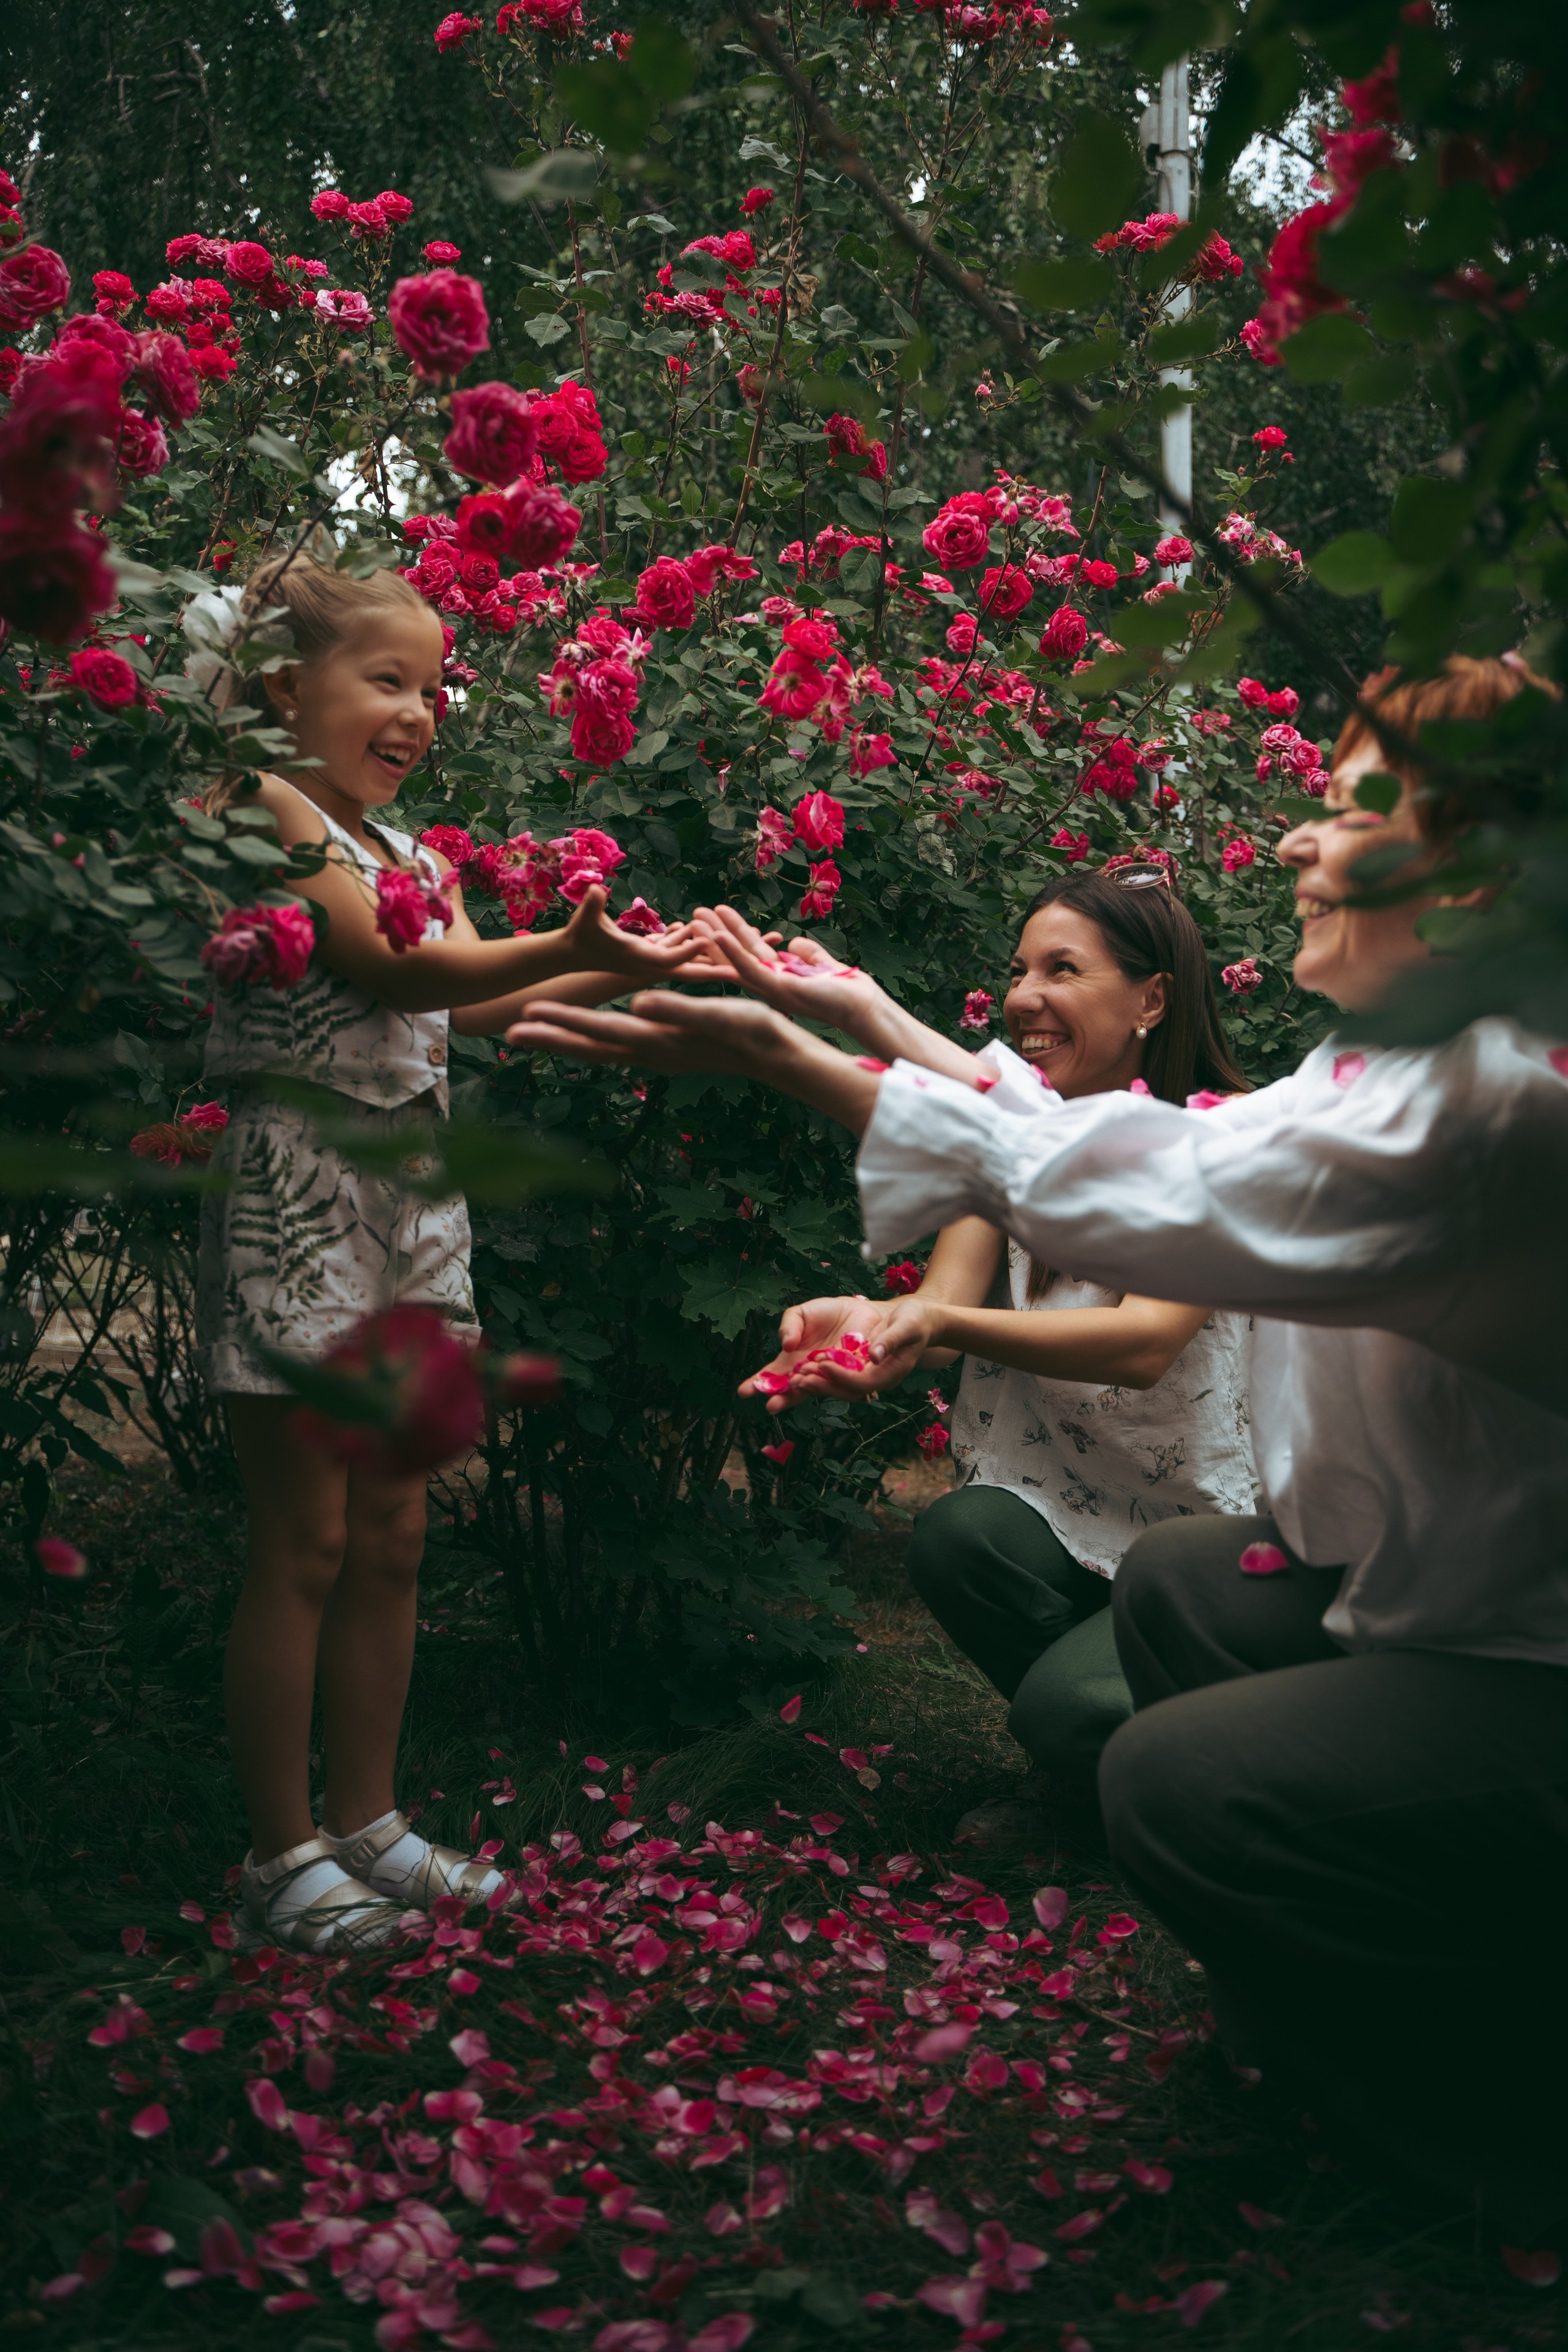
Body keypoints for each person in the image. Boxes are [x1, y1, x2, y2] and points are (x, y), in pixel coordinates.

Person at [507, 655, 1568, 2231]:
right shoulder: (1390, 1070)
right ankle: (1327, 1981)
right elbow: (1139, 1144)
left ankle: (1485, 2125)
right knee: (1182, 1592)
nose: (1288, 844)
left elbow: (1158, 1204)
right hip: (1456, 1604)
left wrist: (788, 1062)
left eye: (1349, 810)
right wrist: (857, 1014)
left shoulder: (1486, 1115)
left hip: (1531, 1667)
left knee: (1165, 1776)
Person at [198, 549, 707, 1953]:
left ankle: (367, 1823)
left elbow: (476, 1003)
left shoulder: (416, 855)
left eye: (432, 687)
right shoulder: (267, 806)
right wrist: (572, 936)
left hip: (410, 1206)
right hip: (298, 1196)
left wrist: (657, 964)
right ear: (286, 689)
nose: (420, 712)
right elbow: (399, 972)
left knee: (395, 1533)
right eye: (387, 680)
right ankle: (278, 1853)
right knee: (301, 1539)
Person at [739, 872, 1259, 1831]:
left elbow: (1145, 1343)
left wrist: (942, 1328)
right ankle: (1108, 1786)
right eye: (1020, 970)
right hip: (1088, 1505)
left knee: (1065, 1710)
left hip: (1227, 1540)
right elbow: (936, 1309)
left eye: (1063, 969)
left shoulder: (1222, 1141)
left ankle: (1194, 1776)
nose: (1024, 998)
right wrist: (859, 1324)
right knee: (962, 1538)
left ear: (1151, 998)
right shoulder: (1008, 1151)